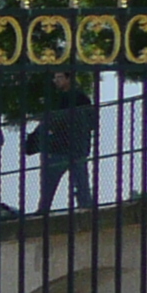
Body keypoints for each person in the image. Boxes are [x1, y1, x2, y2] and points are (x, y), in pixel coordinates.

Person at [26, 70, 98, 213]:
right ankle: (85, 204)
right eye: (55, 78)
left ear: (69, 78)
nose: (56, 81)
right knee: (79, 178)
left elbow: (56, 120)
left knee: (52, 180)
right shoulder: (80, 98)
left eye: (59, 77)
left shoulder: (69, 98)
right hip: (76, 145)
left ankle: (44, 208)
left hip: (62, 146)